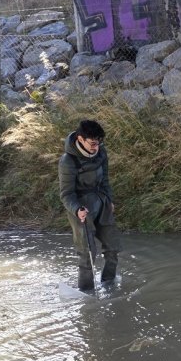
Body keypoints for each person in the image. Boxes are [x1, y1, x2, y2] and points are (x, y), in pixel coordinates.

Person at [59, 119, 122, 290]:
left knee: (113, 249)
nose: (97, 147)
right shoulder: (68, 161)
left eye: (99, 142)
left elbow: (106, 180)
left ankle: (109, 285)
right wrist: (77, 209)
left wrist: (109, 200)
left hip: (102, 203)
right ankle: (86, 293)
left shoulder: (101, 152)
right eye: (93, 143)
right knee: (88, 254)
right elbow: (66, 194)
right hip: (81, 208)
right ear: (80, 139)